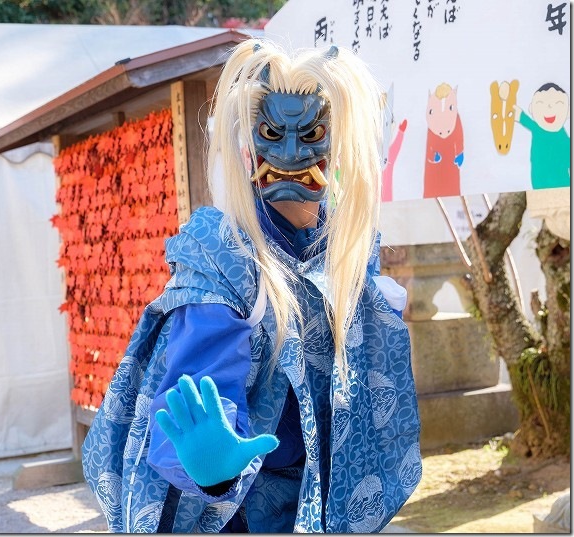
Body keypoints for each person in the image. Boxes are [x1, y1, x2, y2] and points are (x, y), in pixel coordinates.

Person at [81, 38, 421, 533]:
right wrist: (212, 461)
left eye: (311, 136)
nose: (287, 155)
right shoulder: (225, 258)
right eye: (271, 134)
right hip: (241, 511)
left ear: (342, 140)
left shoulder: (346, 249)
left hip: (326, 502)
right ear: (250, 141)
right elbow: (197, 385)